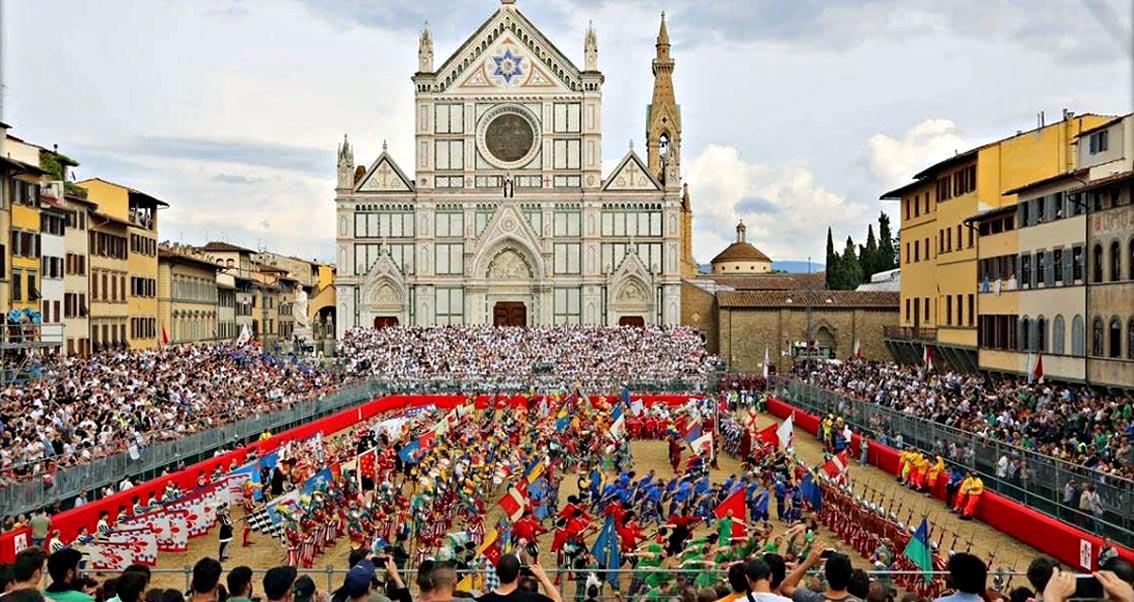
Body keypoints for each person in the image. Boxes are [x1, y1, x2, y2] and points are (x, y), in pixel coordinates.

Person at [780, 541, 859, 602]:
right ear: (850, 576)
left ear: (826, 574)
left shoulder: (811, 599)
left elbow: (785, 587)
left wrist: (808, 562)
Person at [477, 554, 561, 602]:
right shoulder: (532, 599)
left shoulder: (483, 600)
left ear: (496, 572)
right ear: (518, 574)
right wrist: (544, 579)